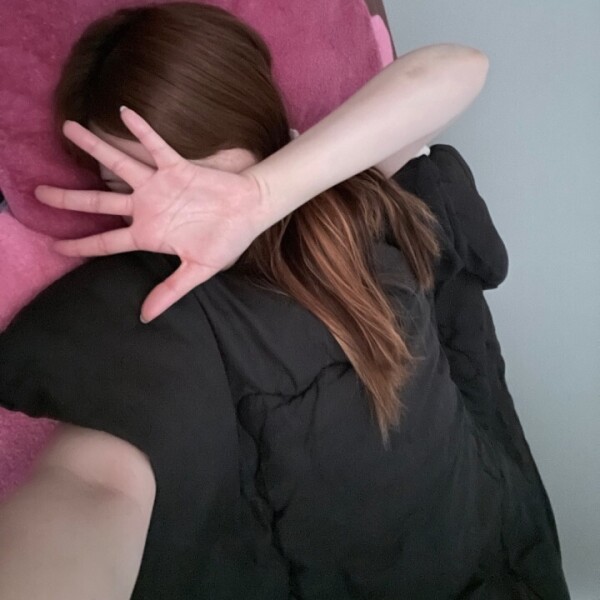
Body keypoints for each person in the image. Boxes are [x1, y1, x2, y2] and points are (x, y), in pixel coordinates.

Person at [0, 3, 570, 599]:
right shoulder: (150, 302)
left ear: (242, 124)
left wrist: (255, 198)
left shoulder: (343, 188)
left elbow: (459, 68)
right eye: (126, 186)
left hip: (498, 536)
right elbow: (94, 485)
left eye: (178, 167)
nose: (165, 211)